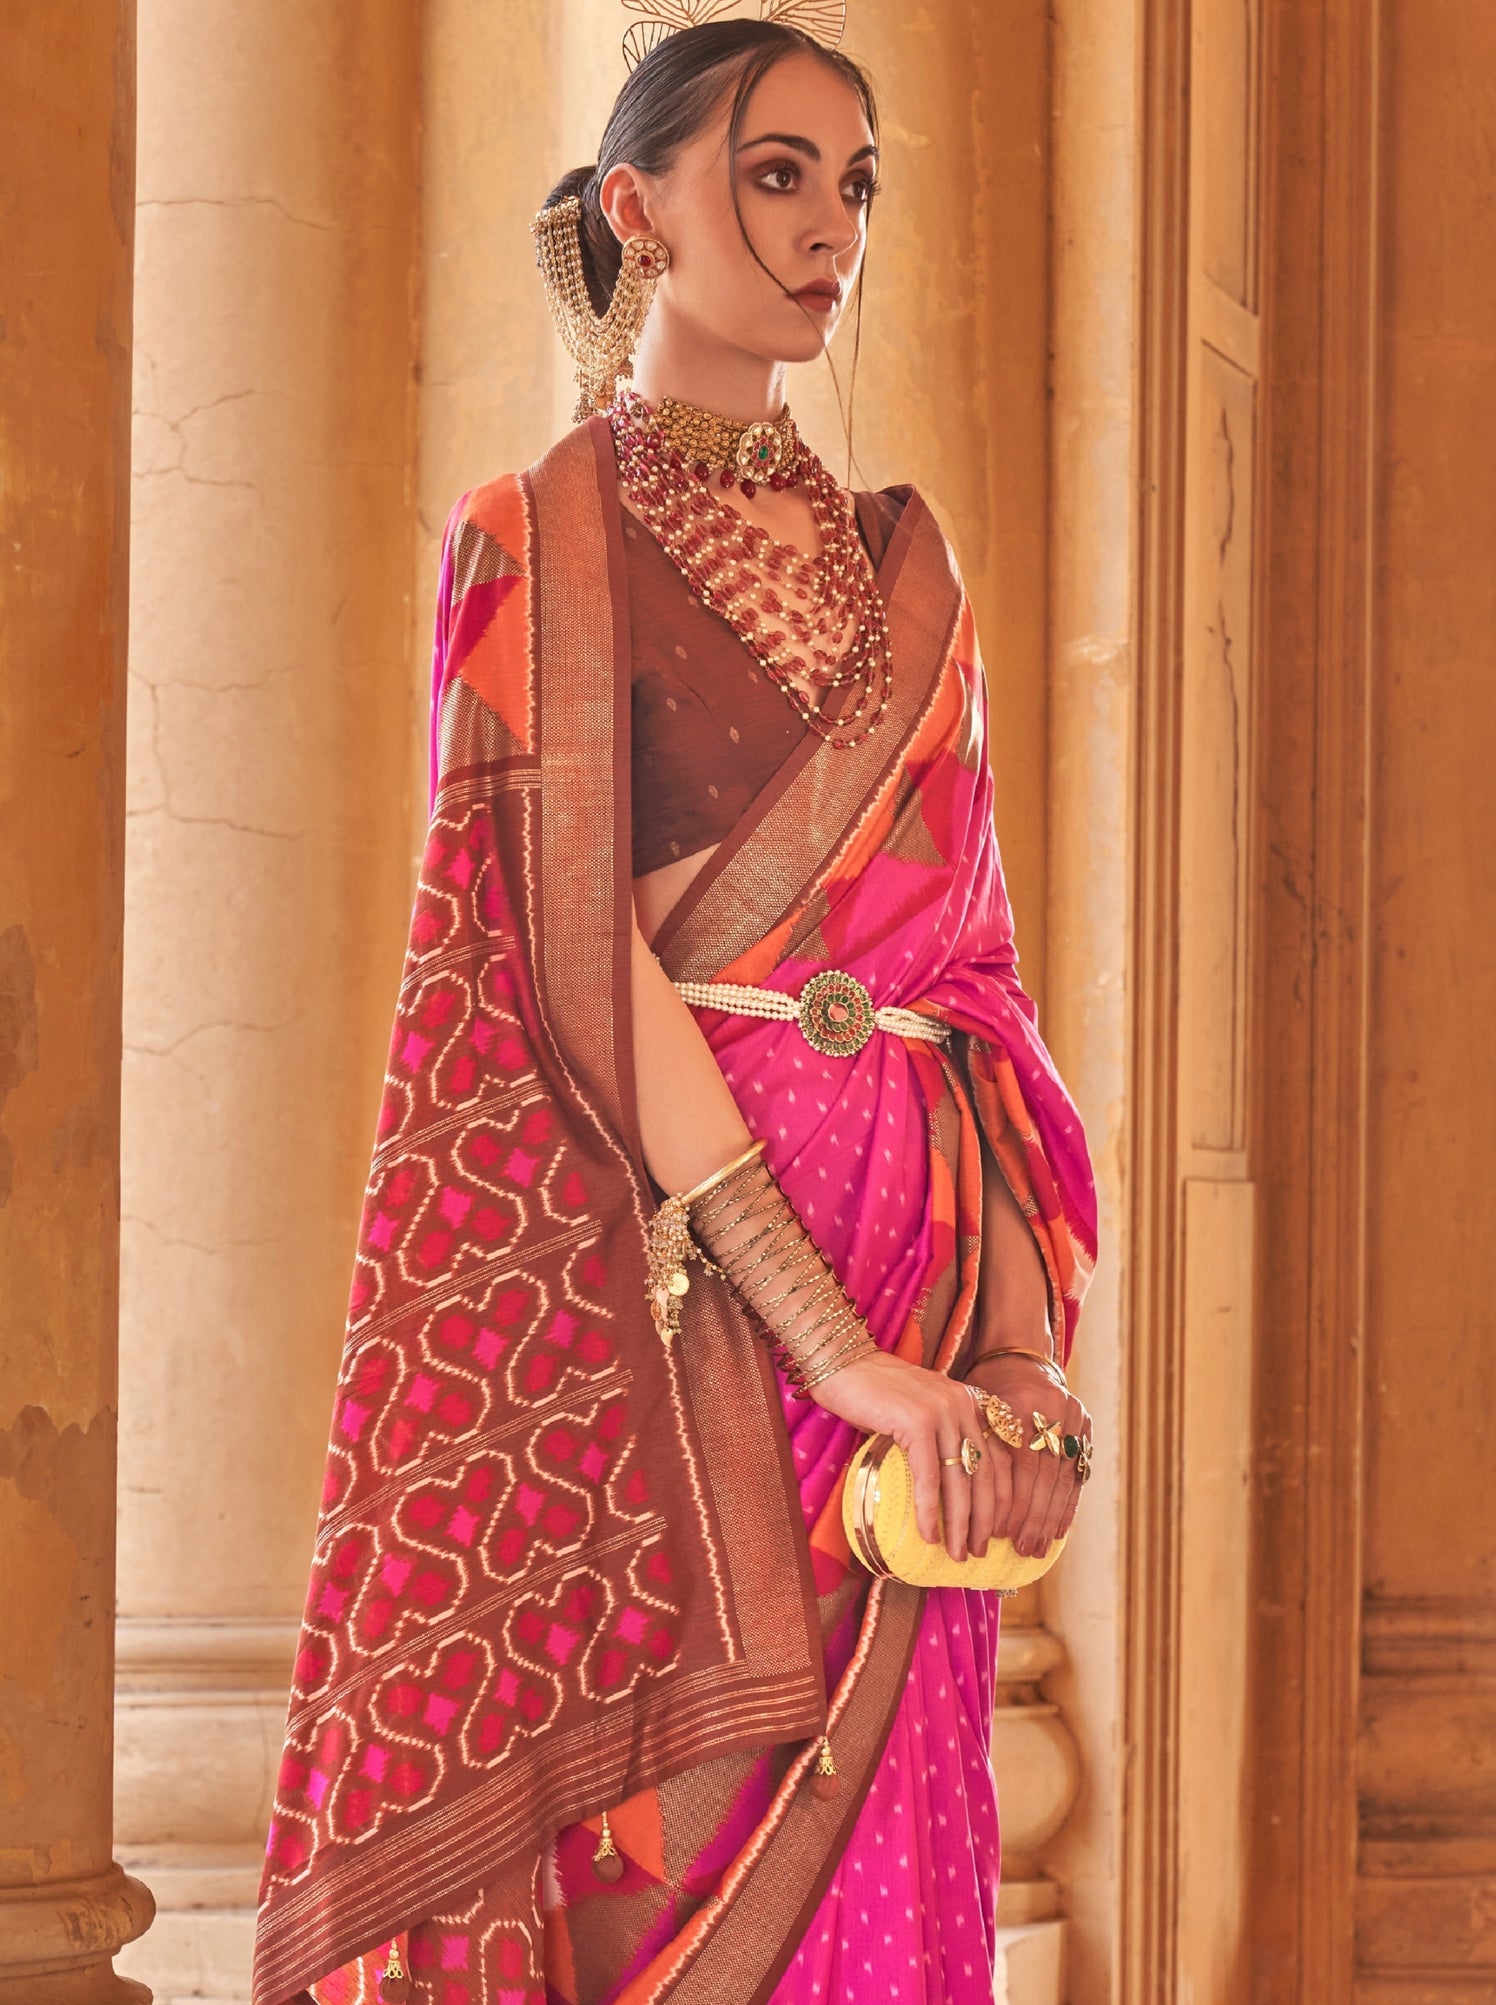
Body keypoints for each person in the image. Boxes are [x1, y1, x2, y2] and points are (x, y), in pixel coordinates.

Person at [251, 15, 1097, 2005]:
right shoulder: (531, 543)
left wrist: (1010, 1350)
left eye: (854, 184)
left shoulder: (906, 570)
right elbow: (567, 950)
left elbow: (971, 985)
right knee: (673, 1854)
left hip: (918, 1276)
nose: (828, 228)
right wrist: (831, 1348)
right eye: (776, 175)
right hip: (677, 1298)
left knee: (886, 1851)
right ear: (637, 210)